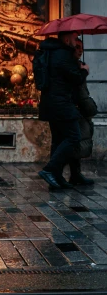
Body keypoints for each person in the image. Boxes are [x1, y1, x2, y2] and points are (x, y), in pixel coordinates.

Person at [37, 31, 89, 190]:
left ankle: (57, 177)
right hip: (61, 104)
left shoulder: (52, 53)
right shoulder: (63, 55)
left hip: (51, 103)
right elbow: (76, 78)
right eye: (74, 38)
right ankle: (50, 169)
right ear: (67, 39)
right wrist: (84, 70)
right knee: (74, 137)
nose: (76, 42)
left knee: (58, 140)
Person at [64, 38, 97, 186]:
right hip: (73, 108)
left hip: (79, 109)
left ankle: (75, 174)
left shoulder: (78, 65)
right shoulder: (70, 66)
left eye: (81, 48)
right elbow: (77, 86)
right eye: (77, 47)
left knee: (79, 140)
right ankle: (58, 172)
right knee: (72, 141)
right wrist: (83, 72)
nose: (80, 50)